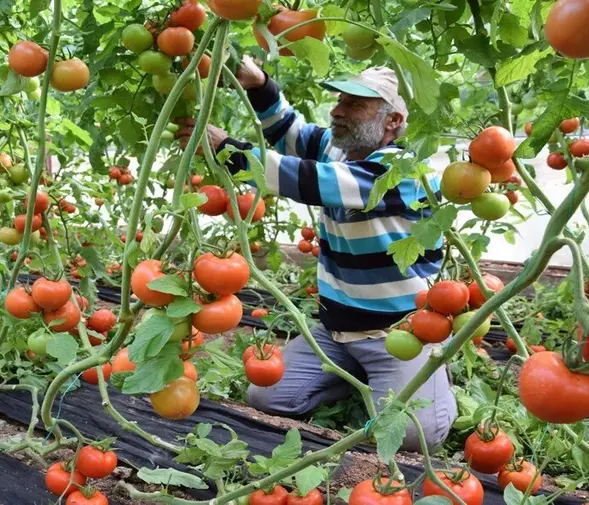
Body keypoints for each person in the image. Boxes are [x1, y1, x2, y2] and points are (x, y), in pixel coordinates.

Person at [176, 57, 456, 450]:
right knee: (267, 397)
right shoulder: (339, 149)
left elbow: (310, 180)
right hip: (336, 331)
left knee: (415, 435)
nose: (337, 111)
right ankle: (351, 374)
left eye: (354, 105)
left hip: (401, 331)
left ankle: (421, 376)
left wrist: (229, 150)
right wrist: (259, 85)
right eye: (340, 100)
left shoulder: (405, 173)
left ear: (392, 122)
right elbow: (289, 133)